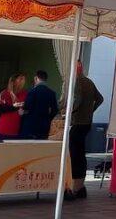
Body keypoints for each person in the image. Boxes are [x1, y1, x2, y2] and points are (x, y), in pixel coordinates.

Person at [62, 61, 104, 201]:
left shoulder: (77, 82)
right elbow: (100, 99)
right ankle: (81, 187)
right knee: (81, 154)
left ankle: (75, 188)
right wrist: (91, 111)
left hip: (78, 122)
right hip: (87, 123)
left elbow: (78, 100)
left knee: (75, 155)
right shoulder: (89, 82)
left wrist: (69, 112)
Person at [19, 69, 58, 140]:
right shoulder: (51, 93)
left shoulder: (33, 91)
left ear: (36, 78)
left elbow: (27, 106)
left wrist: (22, 110)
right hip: (44, 125)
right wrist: (48, 118)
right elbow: (55, 110)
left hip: (30, 125)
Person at [0, 73, 27, 139]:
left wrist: (25, 111)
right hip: (3, 128)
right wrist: (15, 106)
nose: (23, 81)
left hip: (17, 129)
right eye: (20, 79)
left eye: (24, 79)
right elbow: (1, 109)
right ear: (14, 81)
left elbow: (28, 107)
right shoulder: (5, 93)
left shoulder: (25, 93)